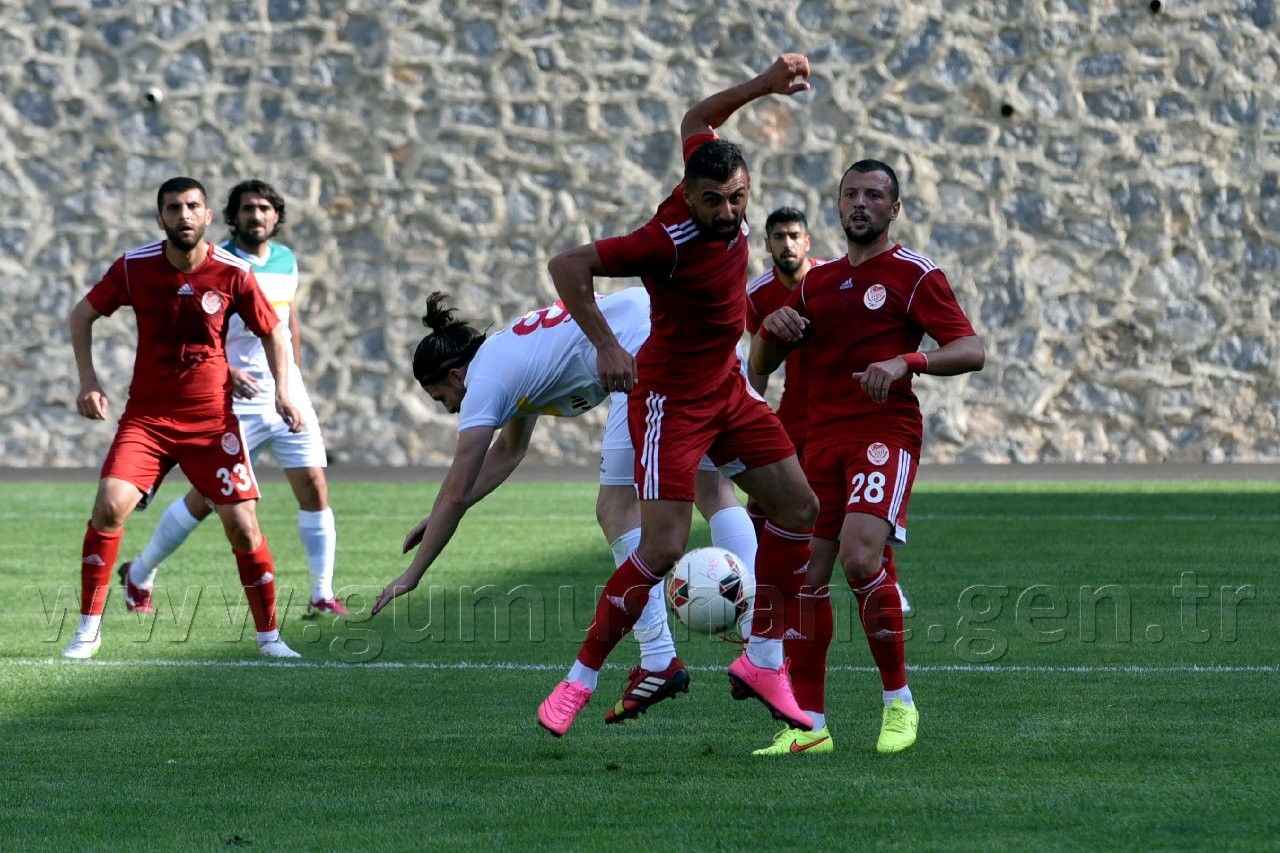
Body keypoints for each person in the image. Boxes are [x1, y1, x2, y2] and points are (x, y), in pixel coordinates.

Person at [537, 53, 822, 740]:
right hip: (671, 401)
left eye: (738, 198)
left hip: (727, 387)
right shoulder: (662, 240)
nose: (729, 212)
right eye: (714, 201)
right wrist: (608, 345)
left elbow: (696, 116)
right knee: (662, 546)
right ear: (688, 195)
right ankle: (579, 678)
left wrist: (765, 85)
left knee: (799, 507)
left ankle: (761, 660)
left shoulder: (714, 177)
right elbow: (567, 265)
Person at [370, 289, 760, 720]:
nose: (447, 409)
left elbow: (456, 490)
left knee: (616, 508)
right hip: (686, 324)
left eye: (439, 397)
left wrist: (413, 574)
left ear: (457, 375)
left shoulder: (485, 382)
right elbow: (509, 452)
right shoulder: (507, 357)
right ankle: (758, 644)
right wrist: (441, 515)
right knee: (714, 487)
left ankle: (658, 658)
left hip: (645, 348)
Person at [749, 159, 985, 755]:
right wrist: (771, 329)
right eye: (851, 194)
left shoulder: (914, 275)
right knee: (807, 578)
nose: (861, 203)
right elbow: (760, 366)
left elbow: (970, 348)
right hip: (819, 443)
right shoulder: (817, 284)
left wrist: (908, 361)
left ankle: (899, 702)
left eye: (874, 195)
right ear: (838, 206)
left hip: (884, 433)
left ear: (894, 208)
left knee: (858, 559)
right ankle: (809, 726)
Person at [63, 176, 306, 660]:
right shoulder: (134, 267)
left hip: (212, 423)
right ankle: (88, 630)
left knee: (243, 526)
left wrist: (284, 389)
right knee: (109, 506)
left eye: (193, 206)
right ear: (161, 219)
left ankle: (270, 638)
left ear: (208, 216)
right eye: (174, 208)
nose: (184, 215)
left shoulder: (232, 272)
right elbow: (81, 315)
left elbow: (274, 331)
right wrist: (88, 381)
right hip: (147, 420)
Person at [115, 180, 348, 618]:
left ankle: (322, 593)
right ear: (231, 216)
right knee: (208, 499)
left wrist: (292, 378)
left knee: (315, 486)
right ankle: (140, 572)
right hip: (234, 401)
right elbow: (194, 334)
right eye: (247, 209)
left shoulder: (286, 260)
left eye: (264, 208)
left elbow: (285, 323)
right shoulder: (217, 262)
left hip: (285, 395)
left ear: (276, 216)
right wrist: (228, 372)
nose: (256, 216)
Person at [746, 207, 912, 616]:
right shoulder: (757, 295)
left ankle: (887, 581)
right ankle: (757, 587)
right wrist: (752, 409)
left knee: (862, 508)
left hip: (841, 415)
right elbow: (759, 361)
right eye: (779, 237)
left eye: (794, 236)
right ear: (767, 245)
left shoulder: (830, 279)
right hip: (792, 417)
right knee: (763, 501)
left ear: (807, 241)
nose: (787, 244)